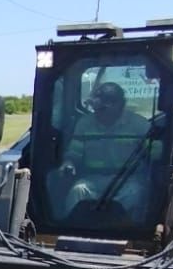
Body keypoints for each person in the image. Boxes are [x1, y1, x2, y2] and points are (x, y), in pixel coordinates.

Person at [58, 79, 158, 222]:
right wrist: (68, 163)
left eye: (104, 108)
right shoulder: (85, 124)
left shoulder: (140, 126)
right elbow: (74, 152)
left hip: (128, 181)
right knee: (77, 191)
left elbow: (156, 156)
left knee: (135, 194)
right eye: (97, 109)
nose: (99, 113)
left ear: (119, 105)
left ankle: (129, 234)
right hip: (92, 179)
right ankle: (70, 231)